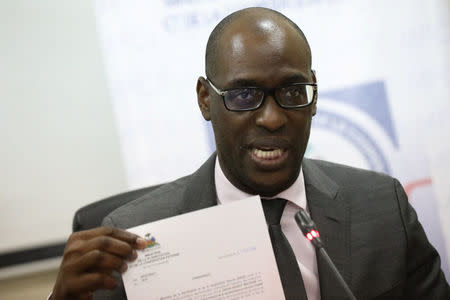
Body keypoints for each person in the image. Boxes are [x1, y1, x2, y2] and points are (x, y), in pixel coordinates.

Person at [50, 7, 449, 300]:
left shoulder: (382, 206)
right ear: (206, 100)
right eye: (244, 95)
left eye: (293, 92)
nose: (273, 119)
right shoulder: (134, 237)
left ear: (313, 96)